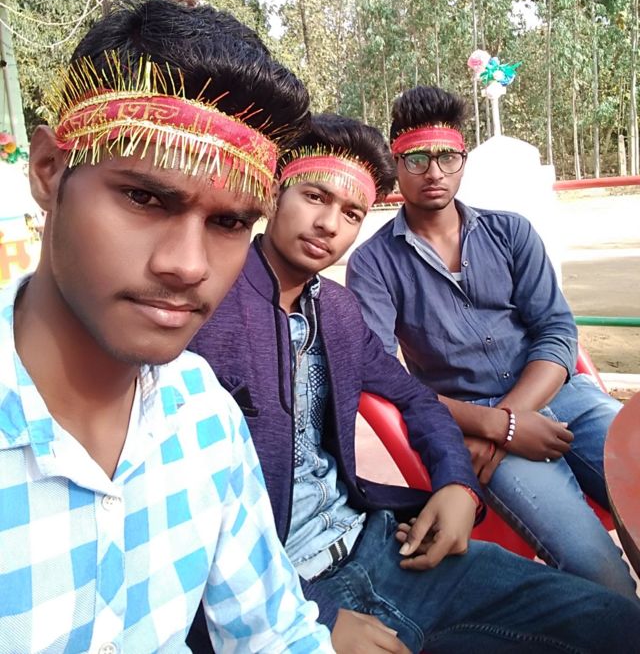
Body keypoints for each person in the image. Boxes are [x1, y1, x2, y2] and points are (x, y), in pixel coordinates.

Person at [189, 112, 640, 654]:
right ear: (274, 194)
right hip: (283, 593)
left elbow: (414, 397)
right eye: (314, 197)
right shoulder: (200, 312)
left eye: (351, 212)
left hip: (382, 545)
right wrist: (309, 614)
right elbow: (176, 510)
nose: (329, 225)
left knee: (617, 624)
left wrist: (457, 485)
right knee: (597, 580)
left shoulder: (335, 311)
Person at [0, 0, 333, 653]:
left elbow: (275, 634)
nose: (187, 265)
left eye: (229, 222)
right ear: (48, 172)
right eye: (144, 197)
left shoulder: (204, 414)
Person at [346, 84, 636, 599]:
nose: (434, 172)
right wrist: (491, 425)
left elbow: (556, 330)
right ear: (396, 162)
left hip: (561, 396)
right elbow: (381, 373)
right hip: (469, 416)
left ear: (463, 160)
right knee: (600, 574)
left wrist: (508, 421)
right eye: (417, 158)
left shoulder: (511, 233)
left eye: (447, 157)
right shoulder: (374, 263)